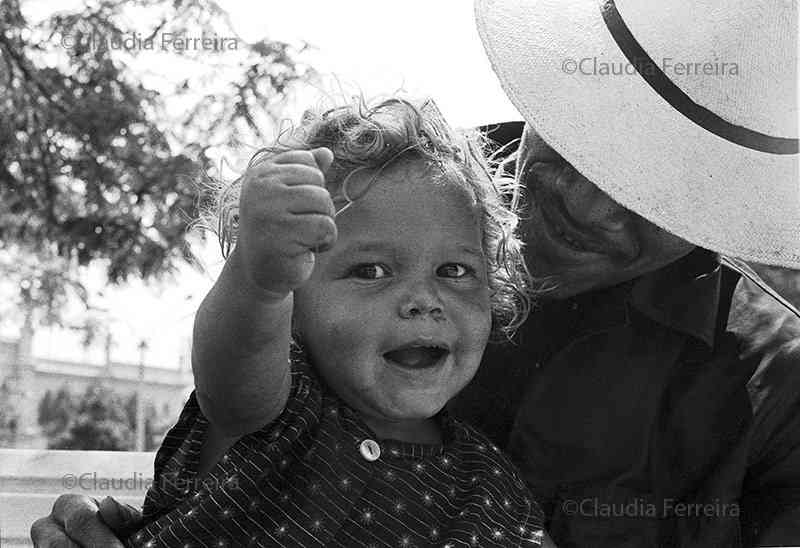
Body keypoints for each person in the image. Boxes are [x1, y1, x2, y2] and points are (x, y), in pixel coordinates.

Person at [32, 97, 550, 547]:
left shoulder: (488, 481)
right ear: (292, 308)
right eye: (370, 271)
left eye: (455, 271)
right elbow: (234, 363)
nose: (424, 299)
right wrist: (257, 280)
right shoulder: (279, 410)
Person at [449, 0, 800, 547]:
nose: (589, 208)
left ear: (733, 209)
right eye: (584, 140)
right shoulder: (371, 204)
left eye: (657, 197)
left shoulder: (779, 391)